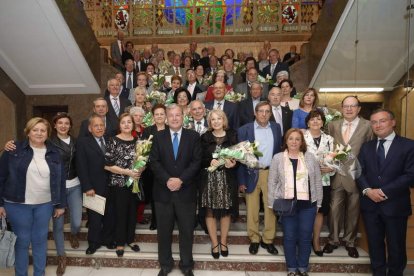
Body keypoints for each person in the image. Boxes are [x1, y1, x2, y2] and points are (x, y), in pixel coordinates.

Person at [0, 117, 66, 276]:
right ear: (28, 132)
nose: (39, 133)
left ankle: (39, 273)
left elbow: (60, 181)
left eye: (43, 130)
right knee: (22, 241)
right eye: (35, 130)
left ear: (48, 133)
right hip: (17, 204)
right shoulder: (13, 149)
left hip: (45, 205)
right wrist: (0, 203)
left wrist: (60, 204)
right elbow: (1, 177)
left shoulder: (55, 153)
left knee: (40, 241)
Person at [357, 109, 414, 276]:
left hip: (395, 206)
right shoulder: (366, 147)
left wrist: (382, 191)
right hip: (370, 206)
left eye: (382, 121)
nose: (378, 125)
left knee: (396, 247)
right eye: (374, 122)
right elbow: (358, 171)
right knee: (374, 246)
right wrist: (367, 190)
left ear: (393, 122)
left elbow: (410, 175)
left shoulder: (409, 145)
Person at [150, 104, 201, 276]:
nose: (174, 118)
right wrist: (167, 180)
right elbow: (154, 162)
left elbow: (196, 162)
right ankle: (165, 264)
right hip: (163, 193)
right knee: (164, 232)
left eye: (177, 115)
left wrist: (181, 180)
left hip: (186, 192)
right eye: (170, 115)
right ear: (165, 117)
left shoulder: (193, 137)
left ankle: (186, 265)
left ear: (183, 116)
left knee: (186, 231)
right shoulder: (157, 137)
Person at [268, 128, 323, 276]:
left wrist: (318, 203)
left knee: (305, 237)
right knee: (290, 237)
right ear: (286, 141)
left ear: (302, 142)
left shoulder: (310, 157)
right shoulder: (278, 158)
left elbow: (317, 181)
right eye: (291, 138)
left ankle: (303, 267)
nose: (294, 141)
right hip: (286, 204)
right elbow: (272, 182)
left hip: (308, 205)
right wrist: (271, 202)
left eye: (297, 139)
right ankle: (292, 268)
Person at [324, 95, 373, 258]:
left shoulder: (368, 126)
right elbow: (327, 148)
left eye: (353, 106)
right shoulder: (332, 125)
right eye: (346, 106)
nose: (349, 109)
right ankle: (333, 240)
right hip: (337, 175)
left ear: (359, 108)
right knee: (334, 210)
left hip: (357, 176)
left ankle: (350, 242)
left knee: (353, 211)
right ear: (342, 108)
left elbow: (371, 150)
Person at [238, 101, 282, 256]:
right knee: (252, 208)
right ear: (255, 113)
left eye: (267, 111)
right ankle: (254, 239)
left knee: (271, 208)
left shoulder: (276, 128)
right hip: (251, 172)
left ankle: (268, 239)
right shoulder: (244, 130)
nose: (264, 114)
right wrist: (241, 181)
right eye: (261, 111)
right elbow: (240, 157)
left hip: (271, 173)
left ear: (270, 114)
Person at [200, 109, 238, 259]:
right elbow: (199, 159)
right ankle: (214, 243)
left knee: (225, 211)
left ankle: (223, 242)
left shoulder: (233, 136)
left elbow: (240, 158)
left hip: (227, 179)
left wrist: (233, 164)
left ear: (224, 120)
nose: (216, 121)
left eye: (219, 118)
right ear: (209, 122)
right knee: (210, 211)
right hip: (209, 179)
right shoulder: (204, 137)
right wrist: (209, 161)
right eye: (213, 119)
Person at [104, 113, 143, 257]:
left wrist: (140, 169)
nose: (126, 125)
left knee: (132, 212)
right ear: (119, 125)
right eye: (123, 122)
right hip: (118, 183)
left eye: (129, 122)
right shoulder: (113, 140)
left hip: (134, 183)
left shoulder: (138, 141)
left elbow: (143, 160)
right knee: (120, 213)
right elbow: (107, 166)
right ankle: (120, 242)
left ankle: (130, 240)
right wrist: (127, 172)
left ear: (133, 124)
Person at [77, 115, 115, 255]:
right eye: (96, 125)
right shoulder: (83, 142)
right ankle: (93, 243)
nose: (99, 128)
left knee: (110, 216)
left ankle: (108, 240)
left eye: (101, 125)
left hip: (111, 186)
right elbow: (81, 166)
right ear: (89, 128)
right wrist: (87, 187)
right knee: (94, 218)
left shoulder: (111, 140)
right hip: (93, 187)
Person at [303, 110, 335, 257]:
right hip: (303, 180)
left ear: (323, 122)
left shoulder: (329, 139)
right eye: (312, 119)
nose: (315, 121)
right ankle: (303, 240)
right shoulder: (301, 137)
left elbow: (336, 159)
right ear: (308, 122)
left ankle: (315, 241)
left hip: (324, 180)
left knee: (319, 211)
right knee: (304, 210)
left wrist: (331, 167)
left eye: (318, 119)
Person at [142, 104, 167, 230]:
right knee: (154, 196)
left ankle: (168, 220)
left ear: (166, 115)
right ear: (153, 116)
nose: (159, 116)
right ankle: (155, 220)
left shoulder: (171, 129)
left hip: (169, 169)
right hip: (152, 170)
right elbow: (143, 151)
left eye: (162, 114)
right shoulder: (147, 131)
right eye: (156, 114)